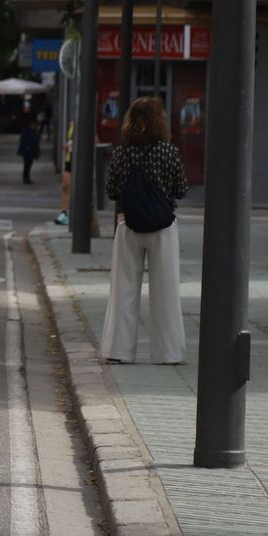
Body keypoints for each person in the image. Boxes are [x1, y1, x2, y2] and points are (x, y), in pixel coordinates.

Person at [101, 96, 187, 365]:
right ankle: (168, 352)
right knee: (166, 290)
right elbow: (181, 190)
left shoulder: (121, 153)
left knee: (123, 289)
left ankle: (119, 350)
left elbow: (112, 190)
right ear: (159, 121)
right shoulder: (168, 151)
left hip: (129, 225)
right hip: (163, 228)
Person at [56, 121, 74, 226]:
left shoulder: (86, 123)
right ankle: (64, 213)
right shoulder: (72, 124)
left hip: (79, 159)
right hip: (69, 159)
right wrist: (68, 146)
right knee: (65, 186)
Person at [18, 118, 41, 185]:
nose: (36, 127)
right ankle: (26, 178)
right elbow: (33, 140)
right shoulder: (28, 131)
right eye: (36, 125)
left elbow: (37, 139)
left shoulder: (31, 131)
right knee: (27, 165)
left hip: (28, 151)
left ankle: (26, 178)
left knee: (28, 165)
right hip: (27, 151)